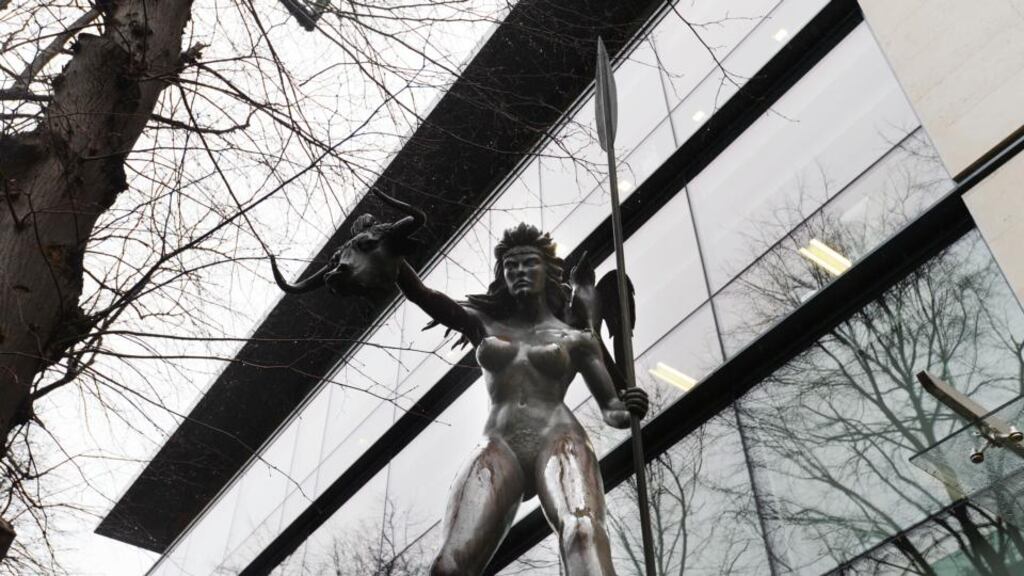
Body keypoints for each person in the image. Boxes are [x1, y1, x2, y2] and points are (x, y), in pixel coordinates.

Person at [394, 222, 649, 576]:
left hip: (559, 438)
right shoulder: (482, 323)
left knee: (582, 530)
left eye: (529, 263)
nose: (519, 272)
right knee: (448, 565)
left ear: (547, 271)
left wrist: (629, 406)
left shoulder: (575, 337)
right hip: (500, 445)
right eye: (510, 266)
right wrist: (393, 260)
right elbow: (424, 297)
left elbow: (612, 409)